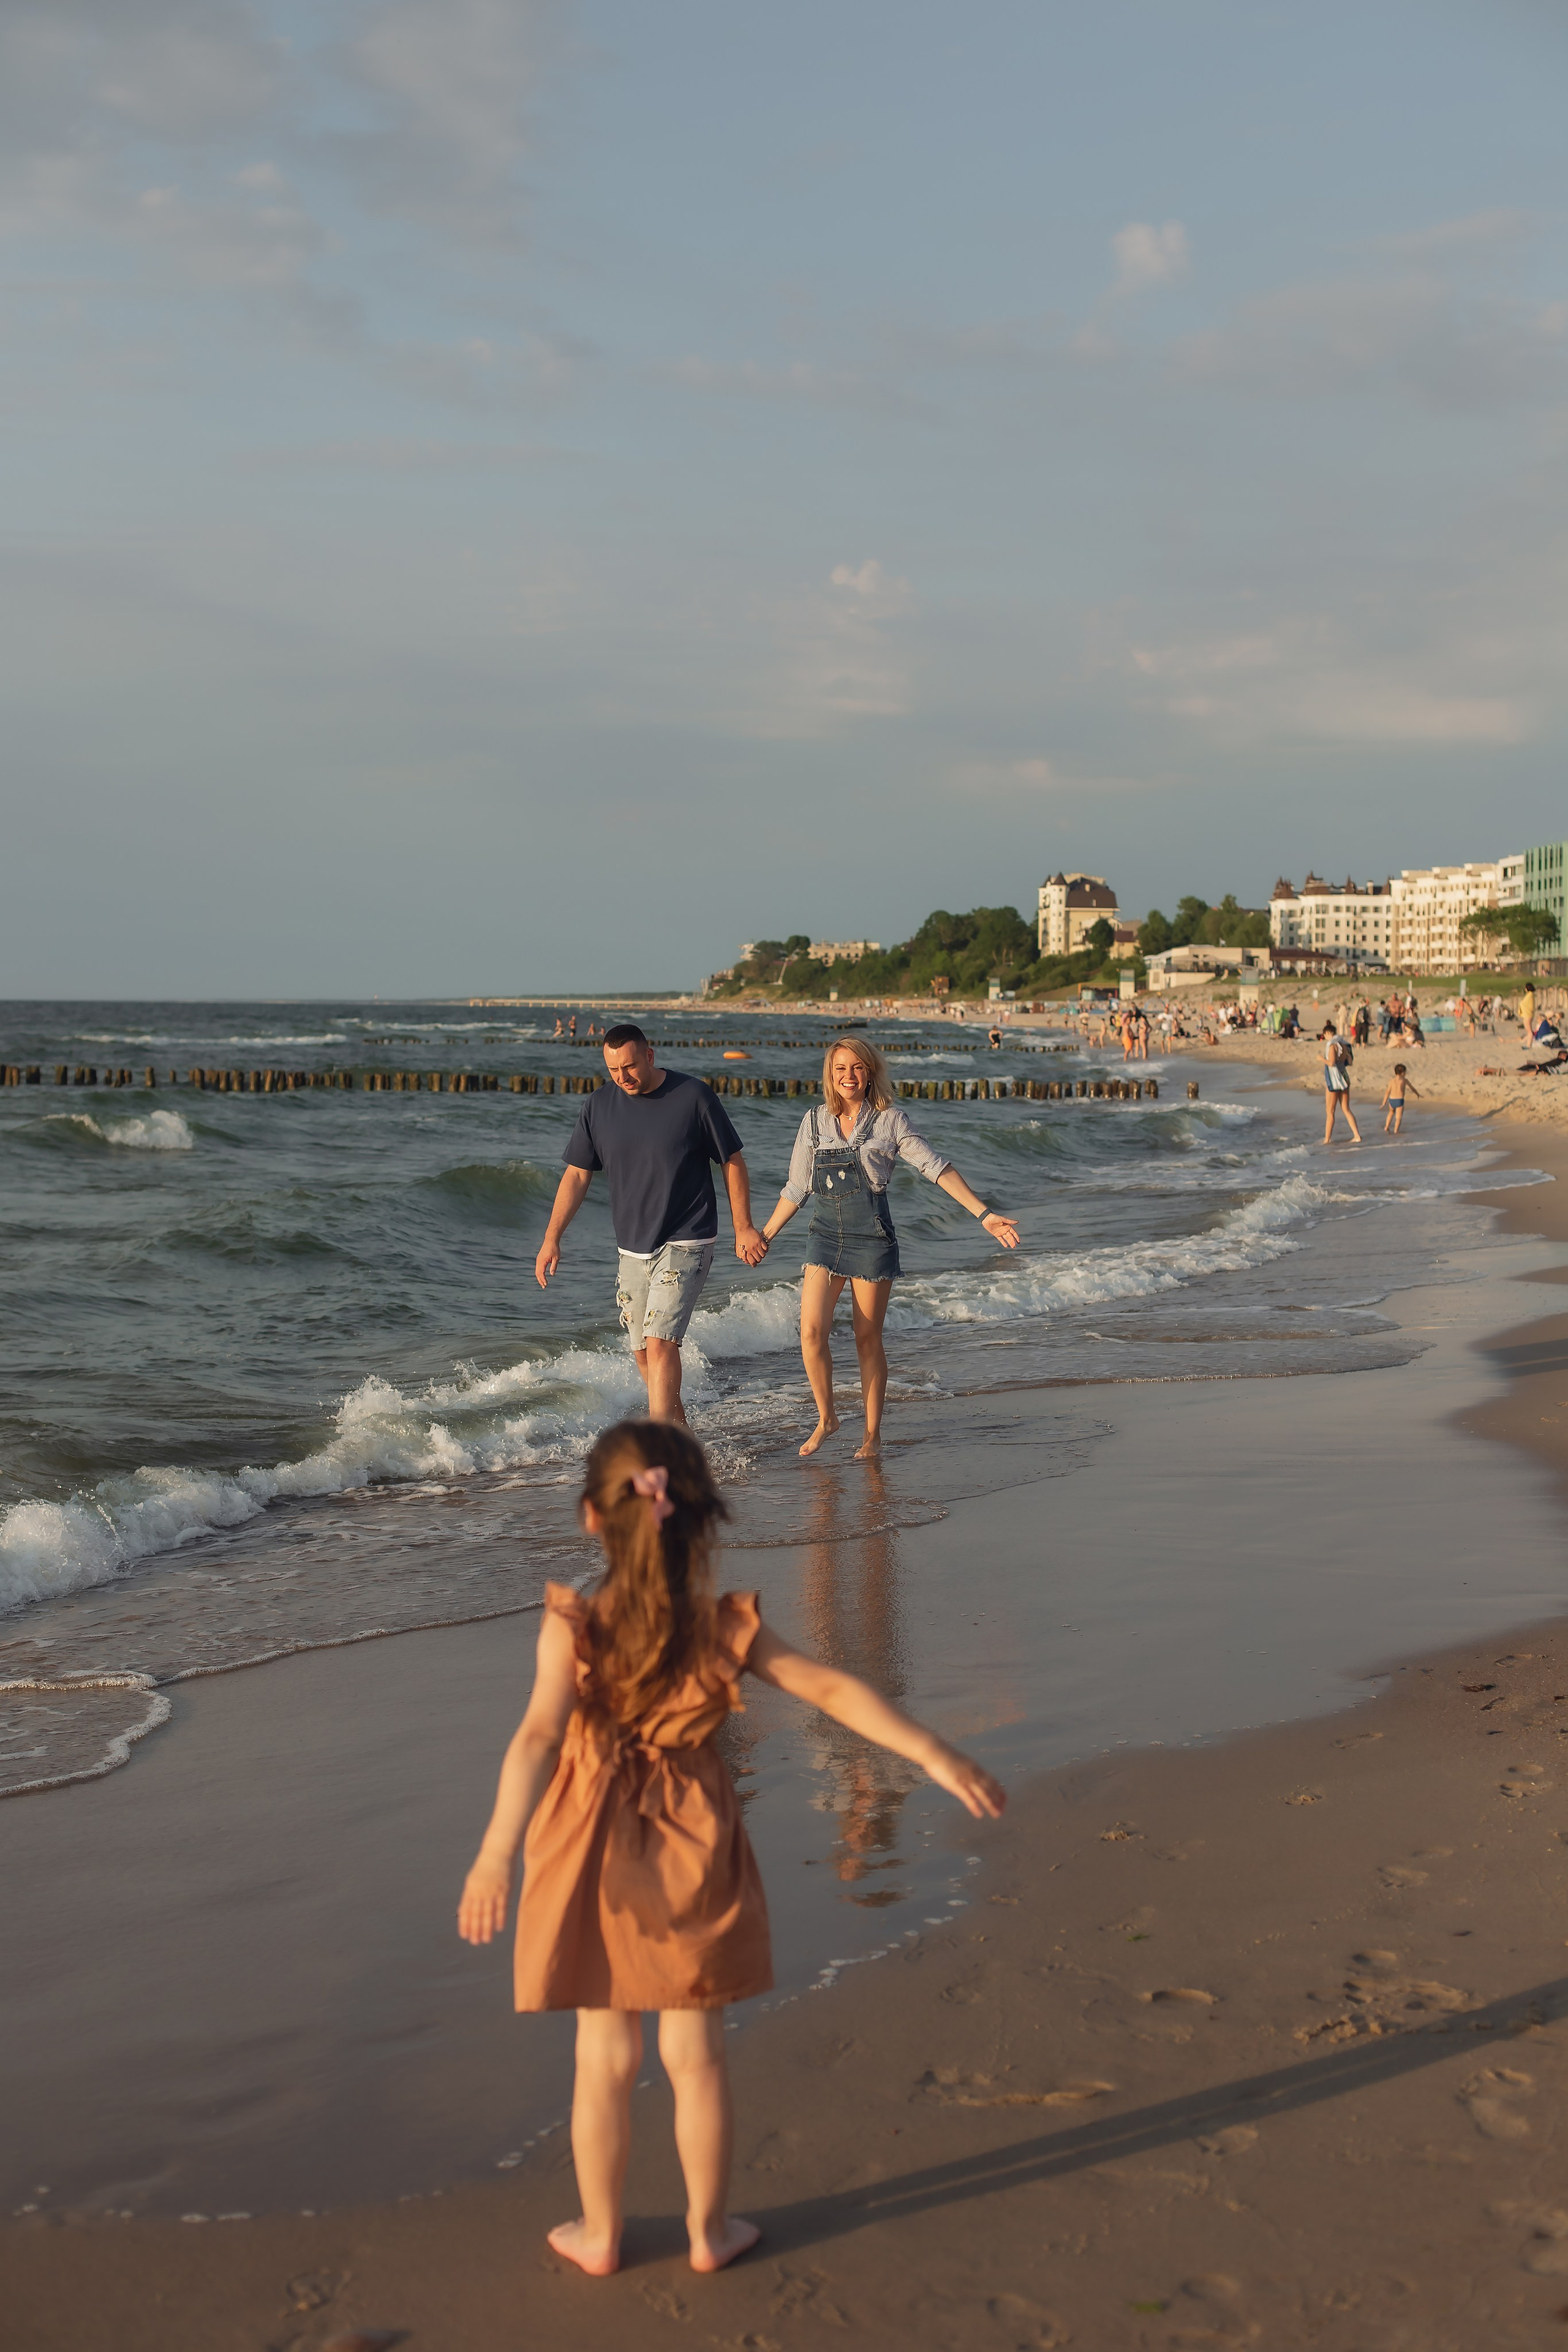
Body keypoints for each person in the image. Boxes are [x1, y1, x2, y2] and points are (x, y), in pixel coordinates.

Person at [456, 1420, 1005, 2279]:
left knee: (603, 2056)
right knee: (696, 2055)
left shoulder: (573, 1625)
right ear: (704, 1518)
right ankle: (708, 2234)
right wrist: (931, 1752)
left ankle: (601, 2235)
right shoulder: (720, 1627)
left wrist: (497, 1851)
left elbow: (536, 1738)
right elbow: (828, 1688)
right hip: (689, 1844)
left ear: (592, 1516)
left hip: (590, 1845)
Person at [758, 1036, 1019, 1458]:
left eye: (857, 1067)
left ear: (870, 1073)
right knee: (811, 1332)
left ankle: (872, 1435)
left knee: (867, 1338)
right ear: (830, 1074)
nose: (848, 1076)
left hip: (871, 1239)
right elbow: (797, 1187)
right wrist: (765, 1235)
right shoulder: (813, 1122)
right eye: (840, 1068)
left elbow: (936, 1167)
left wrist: (983, 1214)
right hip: (824, 1236)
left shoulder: (891, 1121)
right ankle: (827, 1418)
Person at [535, 1023, 767, 1425]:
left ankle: (662, 1446)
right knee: (643, 1353)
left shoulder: (693, 1096)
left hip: (687, 1238)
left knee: (661, 1344)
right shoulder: (599, 1106)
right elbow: (577, 1174)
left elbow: (731, 1160)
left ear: (650, 1056)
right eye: (613, 1070)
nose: (622, 1077)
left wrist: (743, 1226)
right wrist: (551, 1237)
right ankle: (681, 1440)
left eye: (629, 1067)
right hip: (632, 1248)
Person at [1321, 1021, 1361, 1144]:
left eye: (1325, 1035)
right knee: (1346, 1109)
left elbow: (1332, 1063)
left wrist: (1321, 1059)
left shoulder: (1333, 1046)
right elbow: (1350, 1062)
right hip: (1344, 1077)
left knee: (1330, 1111)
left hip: (1335, 1080)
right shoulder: (1344, 1045)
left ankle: (1327, 1139)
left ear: (1328, 1033)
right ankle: (1357, 1135)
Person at [1382, 1063, 1419, 1134]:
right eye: (1405, 1072)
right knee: (1398, 1118)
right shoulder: (1404, 1080)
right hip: (1399, 1100)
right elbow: (1412, 1088)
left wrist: (1384, 1102)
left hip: (1391, 1100)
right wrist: (1417, 1094)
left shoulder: (1392, 1081)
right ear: (1402, 1073)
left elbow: (1387, 1092)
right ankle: (1396, 1131)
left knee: (1391, 1112)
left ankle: (1387, 1126)